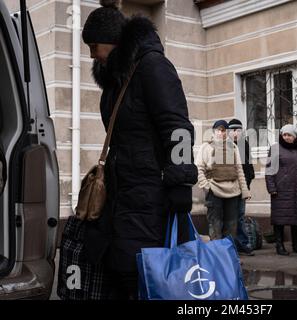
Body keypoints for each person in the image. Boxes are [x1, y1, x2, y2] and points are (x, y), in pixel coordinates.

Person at [81, 0, 197, 299]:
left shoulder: (153, 66)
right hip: (122, 191)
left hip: (150, 192)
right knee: (118, 269)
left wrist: (181, 181)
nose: (92, 54)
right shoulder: (117, 80)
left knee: (143, 272)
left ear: (113, 41)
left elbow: (178, 128)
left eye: (95, 45)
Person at [195, 120, 251, 240]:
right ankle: (216, 256)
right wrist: (206, 186)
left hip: (233, 192)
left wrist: (245, 190)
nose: (221, 133)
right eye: (218, 130)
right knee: (215, 225)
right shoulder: (206, 147)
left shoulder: (234, 147)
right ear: (214, 131)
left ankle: (229, 256)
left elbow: (239, 170)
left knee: (231, 226)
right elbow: (199, 168)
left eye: (224, 130)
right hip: (214, 191)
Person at [265, 124, 297, 255]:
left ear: (295, 136)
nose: (286, 137)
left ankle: (296, 245)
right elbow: (269, 170)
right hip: (280, 189)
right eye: (284, 135)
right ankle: (279, 246)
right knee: (280, 218)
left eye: (289, 135)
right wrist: (271, 188)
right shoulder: (275, 149)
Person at [228, 119, 255, 256]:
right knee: (229, 217)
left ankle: (242, 243)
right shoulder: (224, 145)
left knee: (240, 216)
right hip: (228, 188)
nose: (235, 133)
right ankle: (229, 245)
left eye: (238, 130)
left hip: (242, 187)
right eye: (233, 130)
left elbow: (249, 169)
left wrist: (246, 188)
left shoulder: (244, 144)